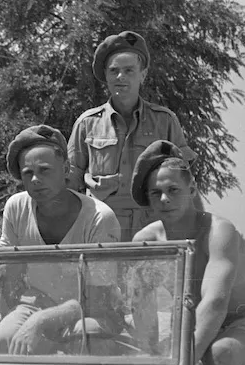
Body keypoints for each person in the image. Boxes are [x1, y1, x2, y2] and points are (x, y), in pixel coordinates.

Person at [130, 140, 245, 365]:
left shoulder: (219, 232)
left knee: (223, 354)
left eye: (173, 189)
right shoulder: (146, 241)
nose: (165, 198)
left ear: (192, 188)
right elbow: (143, 311)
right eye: (156, 192)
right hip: (187, 326)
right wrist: (150, 357)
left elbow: (216, 303)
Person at [0, 125, 124, 355]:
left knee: (86, 337)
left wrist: (41, 321)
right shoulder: (16, 207)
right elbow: (8, 274)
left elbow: (99, 299)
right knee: (3, 341)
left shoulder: (100, 218)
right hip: (36, 303)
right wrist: (9, 317)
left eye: (45, 170)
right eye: (27, 173)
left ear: (66, 169)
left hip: (92, 310)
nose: (35, 180)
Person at [67, 30, 199, 242]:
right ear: (106, 77)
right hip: (101, 229)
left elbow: (185, 182)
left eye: (129, 70)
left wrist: (195, 233)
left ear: (143, 75)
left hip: (154, 230)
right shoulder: (87, 124)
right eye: (114, 71)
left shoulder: (165, 121)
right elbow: (70, 185)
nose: (121, 77)